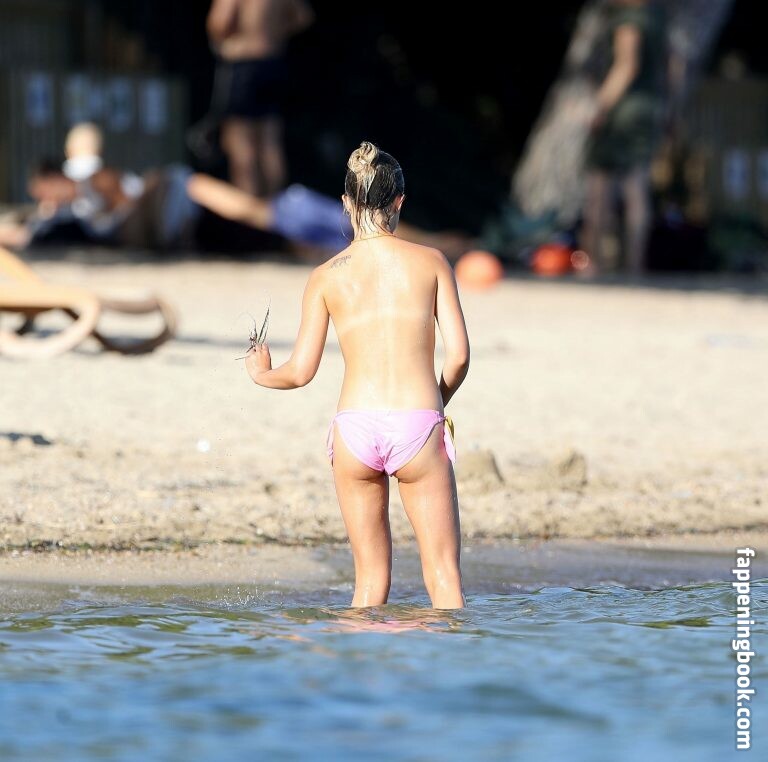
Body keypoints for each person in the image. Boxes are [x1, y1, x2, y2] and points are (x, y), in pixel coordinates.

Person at [242, 142, 470, 609]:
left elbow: (300, 372)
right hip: (417, 423)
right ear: (399, 201)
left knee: (368, 583)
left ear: (346, 203)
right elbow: (460, 356)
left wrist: (262, 374)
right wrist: (436, 401)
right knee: (444, 579)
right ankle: (447, 657)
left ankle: (359, 655)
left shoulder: (326, 275)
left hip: (354, 430)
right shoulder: (431, 261)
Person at [581, 0, 666, 275]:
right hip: (649, 108)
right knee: (637, 187)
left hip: (623, 112)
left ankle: (593, 262)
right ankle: (634, 265)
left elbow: (626, 67)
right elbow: (673, 69)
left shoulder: (628, 22)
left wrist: (599, 107)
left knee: (601, 187)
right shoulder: (656, 19)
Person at [205, 0, 314, 196]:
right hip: (273, 62)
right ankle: (274, 205)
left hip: (244, 64)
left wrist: (228, 39)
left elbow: (220, 22)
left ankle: (249, 209)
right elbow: (303, 17)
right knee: (270, 142)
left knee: (240, 142)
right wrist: (274, 31)